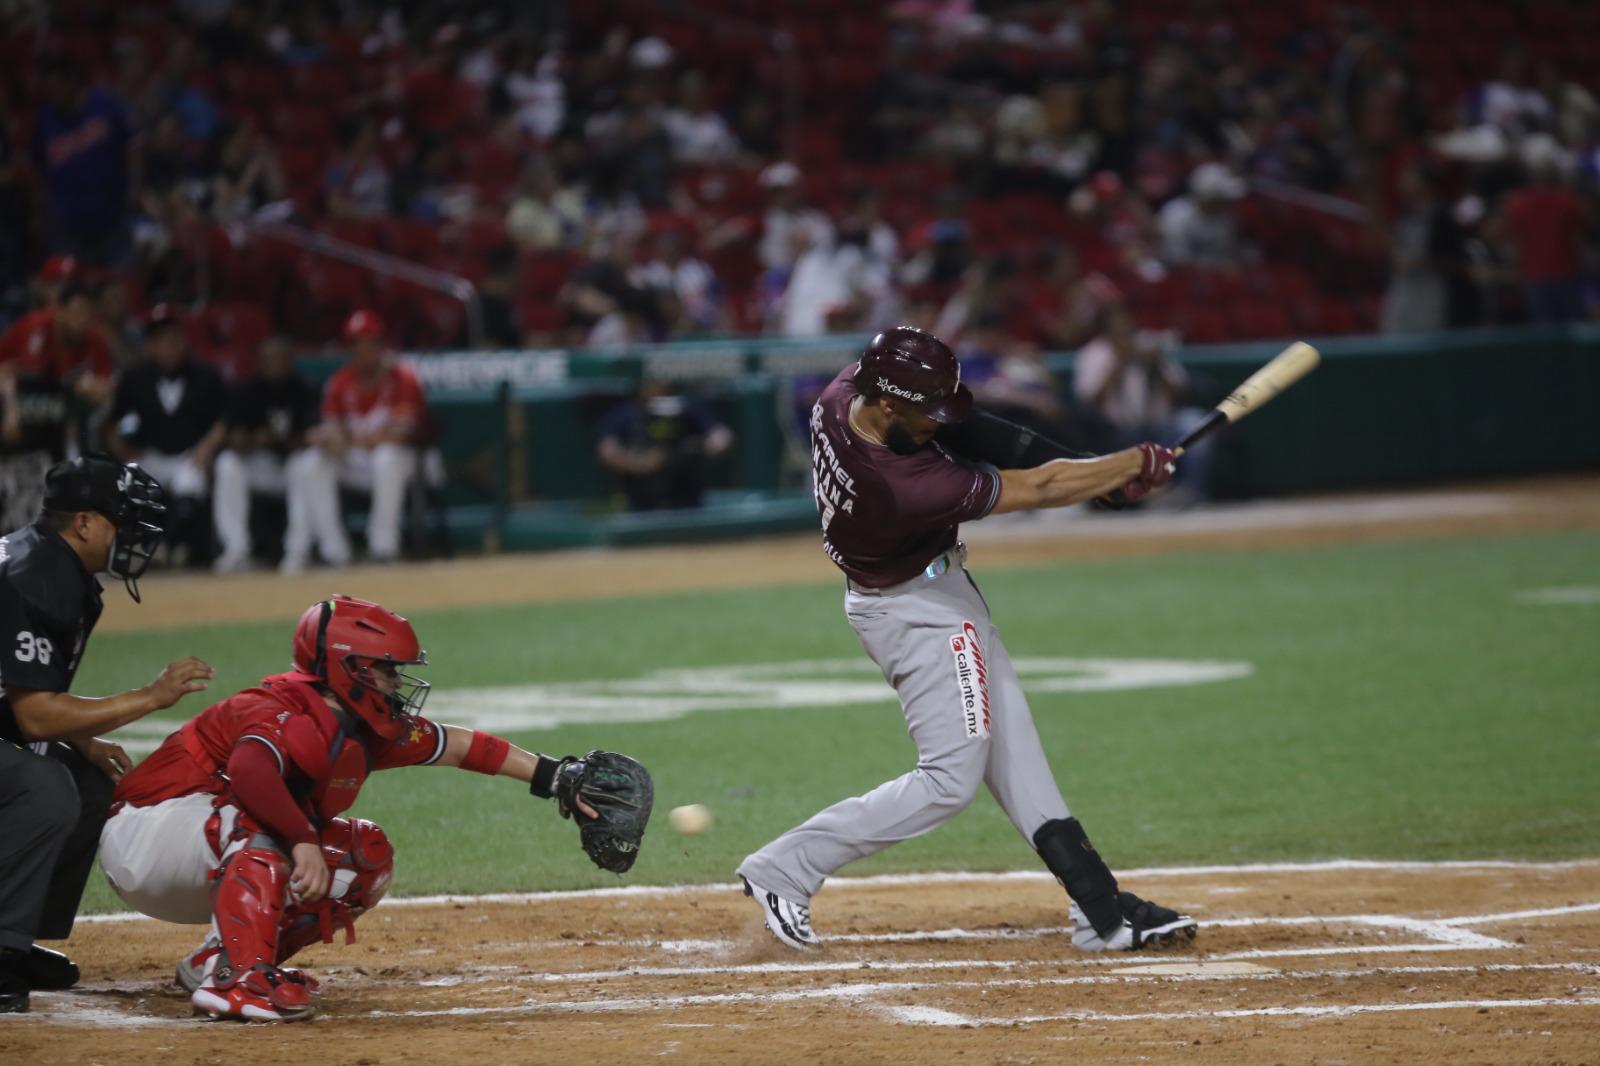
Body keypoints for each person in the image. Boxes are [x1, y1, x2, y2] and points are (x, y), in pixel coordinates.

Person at [737, 326, 1197, 953]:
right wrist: (1129, 465)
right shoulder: (901, 485)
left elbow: (983, 434)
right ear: (890, 405)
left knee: (1019, 761)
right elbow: (1041, 488)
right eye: (926, 416)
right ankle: (784, 869)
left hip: (931, 593)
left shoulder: (844, 394)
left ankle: (1103, 914)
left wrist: (1099, 478)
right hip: (916, 614)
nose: (939, 425)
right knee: (949, 782)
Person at [99, 594, 649, 1022]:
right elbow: (250, 771)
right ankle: (238, 984)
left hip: (207, 845)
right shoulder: (276, 706)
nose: (397, 681)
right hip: (147, 836)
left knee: (365, 857)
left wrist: (556, 777)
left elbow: (458, 745)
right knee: (263, 820)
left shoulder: (361, 724)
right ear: (349, 667)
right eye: (385, 669)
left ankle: (219, 961)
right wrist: (303, 839)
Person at [0, 455, 214, 1013]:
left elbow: (16, 693)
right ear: (86, 524)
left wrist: (87, 741)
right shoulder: (36, 576)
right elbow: (36, 718)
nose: (136, 536)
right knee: (43, 788)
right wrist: (151, 695)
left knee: (88, 783)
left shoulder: (48, 563)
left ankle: (15, 942)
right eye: (125, 521)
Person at [105, 305, 228, 566]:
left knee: (190, 489)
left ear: (184, 342)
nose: (169, 347)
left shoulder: (206, 376)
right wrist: (123, 452)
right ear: (150, 345)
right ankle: (138, 550)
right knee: (128, 483)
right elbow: (111, 422)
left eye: (174, 340)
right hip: (149, 455)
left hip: (189, 455)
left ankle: (176, 547)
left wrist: (205, 449)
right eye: (161, 341)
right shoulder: (134, 377)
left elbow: (223, 419)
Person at [303, 310, 426, 565]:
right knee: (313, 463)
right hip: (359, 460)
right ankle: (334, 551)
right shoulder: (339, 383)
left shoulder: (404, 377)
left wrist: (349, 440)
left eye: (370, 342)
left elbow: (402, 434)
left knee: (386, 458)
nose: (364, 350)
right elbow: (334, 433)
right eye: (357, 344)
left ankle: (384, 547)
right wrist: (329, 439)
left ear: (382, 345)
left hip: (407, 460)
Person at [211, 337, 329, 573]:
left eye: (280, 359)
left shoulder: (305, 389)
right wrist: (254, 439)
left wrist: (279, 439)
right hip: (260, 464)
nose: (275, 365)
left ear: (290, 361)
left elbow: (312, 436)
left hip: (293, 464)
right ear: (260, 363)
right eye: (269, 360)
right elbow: (232, 438)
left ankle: (297, 552)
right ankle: (236, 550)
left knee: (307, 465)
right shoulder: (246, 391)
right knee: (227, 464)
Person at [597, 381, 733, 511]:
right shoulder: (623, 413)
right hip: (639, 502)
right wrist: (639, 463)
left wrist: (695, 448)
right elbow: (607, 452)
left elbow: (722, 437)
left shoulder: (686, 407)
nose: (658, 384)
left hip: (688, 500)